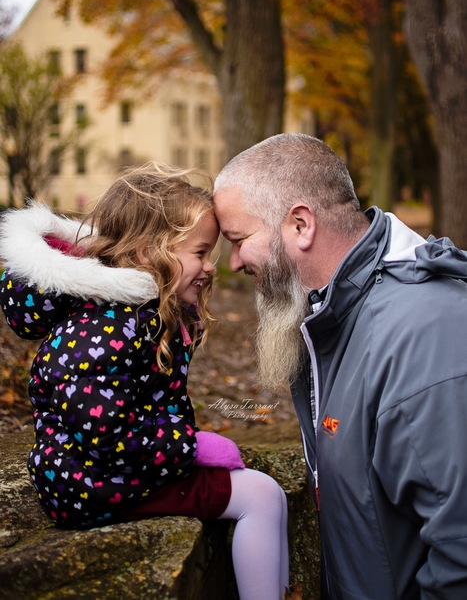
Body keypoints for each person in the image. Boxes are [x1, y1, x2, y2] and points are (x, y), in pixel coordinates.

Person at [0, 162, 289, 600]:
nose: (210, 267)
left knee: (268, 493)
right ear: (146, 253)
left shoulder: (135, 316)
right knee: (261, 497)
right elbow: (105, 432)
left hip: (110, 472)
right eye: (200, 253)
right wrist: (191, 447)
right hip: (92, 483)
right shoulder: (105, 330)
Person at [213, 133, 467, 600]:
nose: (232, 263)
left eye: (238, 239)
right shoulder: (333, 315)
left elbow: (460, 550)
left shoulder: (425, 336)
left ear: (300, 225)